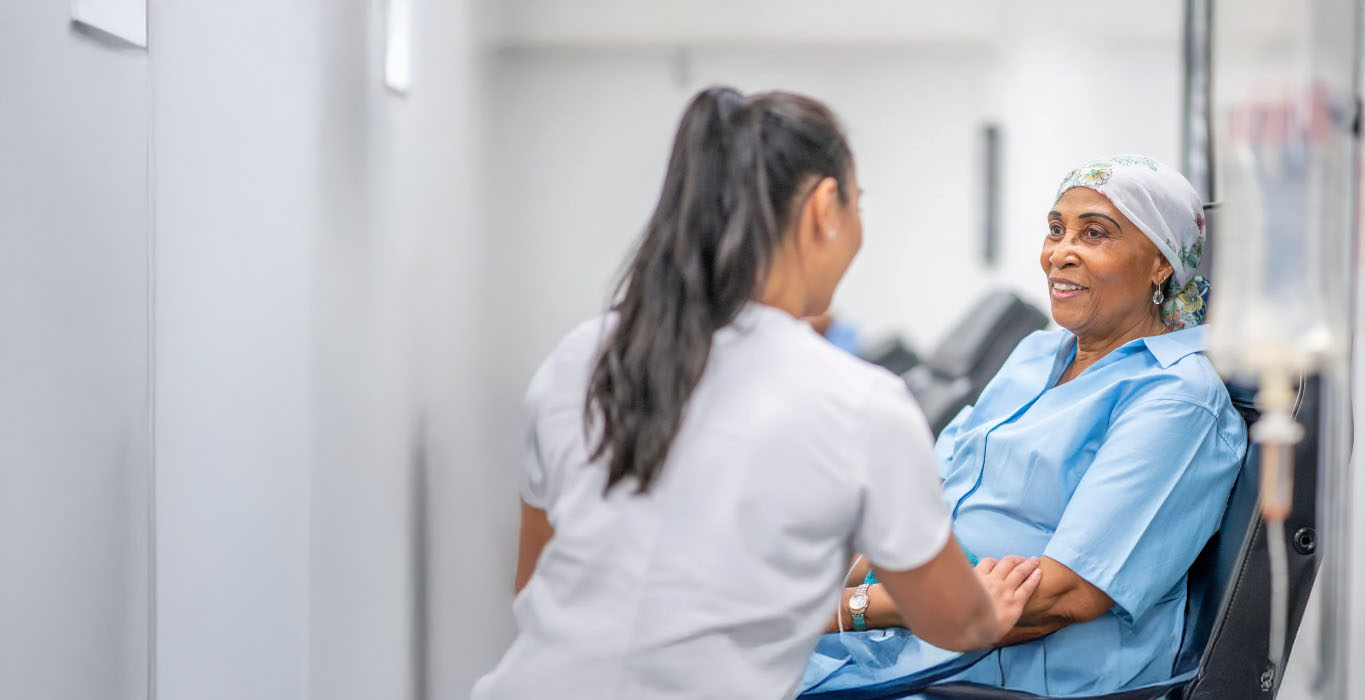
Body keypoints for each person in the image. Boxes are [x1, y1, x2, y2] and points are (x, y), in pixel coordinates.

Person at [472, 86, 1042, 700]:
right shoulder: (860, 403)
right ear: (826, 207)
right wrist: (988, 607)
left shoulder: (580, 356)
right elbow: (954, 620)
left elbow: (536, 585)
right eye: (859, 205)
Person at [800, 155, 1248, 697]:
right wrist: (821, 594)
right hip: (909, 632)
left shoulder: (1178, 400)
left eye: (1095, 234)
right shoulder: (1036, 355)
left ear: (1160, 263)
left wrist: (846, 610)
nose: (1061, 253)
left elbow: (1064, 596)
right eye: (1056, 229)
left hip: (1001, 673)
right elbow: (922, 501)